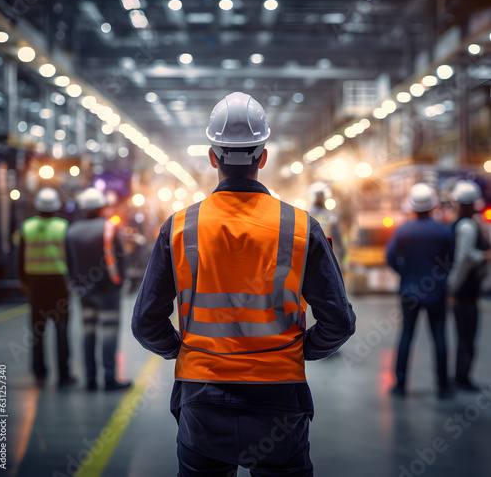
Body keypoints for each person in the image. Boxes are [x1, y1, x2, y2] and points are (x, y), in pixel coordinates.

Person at [132, 92, 356, 476]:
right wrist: (298, 352)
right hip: (278, 397)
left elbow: (144, 322)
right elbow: (340, 321)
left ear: (212, 155)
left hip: (202, 396)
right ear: (263, 157)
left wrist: (185, 351)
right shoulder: (301, 227)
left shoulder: (180, 227)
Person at [386, 183, 453, 398]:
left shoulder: (404, 230)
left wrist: (405, 273)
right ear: (433, 206)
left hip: (409, 290)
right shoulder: (443, 230)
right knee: (439, 336)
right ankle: (443, 386)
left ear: (412, 206)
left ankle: (401, 384)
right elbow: (451, 259)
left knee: (407, 335)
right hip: (436, 291)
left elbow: (390, 257)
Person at [65, 187, 132, 392]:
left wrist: (76, 286)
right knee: (109, 332)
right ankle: (110, 379)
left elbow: (68, 264)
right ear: (102, 206)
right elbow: (121, 257)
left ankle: (90, 379)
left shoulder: (71, 231)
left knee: (88, 332)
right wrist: (121, 282)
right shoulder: (110, 228)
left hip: (84, 292)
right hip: (108, 290)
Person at [19, 187, 76, 388]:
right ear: (56, 206)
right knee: (61, 331)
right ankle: (63, 374)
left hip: (35, 284)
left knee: (37, 332)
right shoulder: (63, 226)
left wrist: (24, 282)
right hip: (58, 284)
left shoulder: (26, 226)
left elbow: (19, 258)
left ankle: (40, 373)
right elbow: (70, 257)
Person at [447, 180, 491, 391]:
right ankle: (462, 378)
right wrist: (452, 288)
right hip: (465, 291)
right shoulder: (467, 226)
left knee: (465, 335)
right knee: (467, 335)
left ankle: (460, 375)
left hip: (465, 290)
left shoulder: (464, 223)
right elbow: (463, 259)